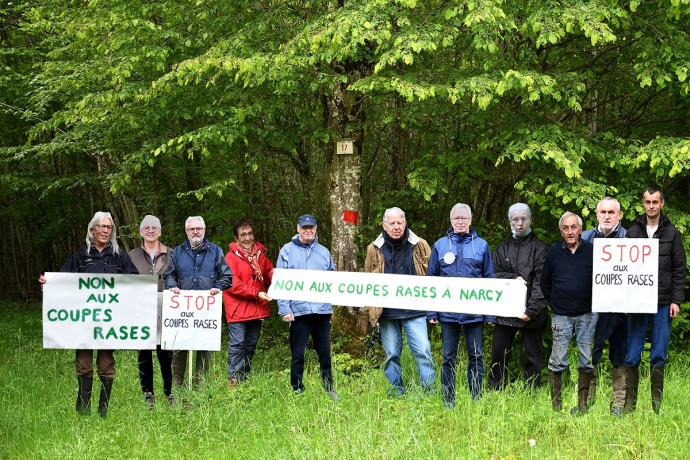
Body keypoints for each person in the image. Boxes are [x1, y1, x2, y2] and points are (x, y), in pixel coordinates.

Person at [39, 211, 138, 417]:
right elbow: (62, 280)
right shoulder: (80, 255)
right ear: (92, 229)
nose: (105, 230)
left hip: (109, 322)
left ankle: (103, 411)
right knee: (83, 364)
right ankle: (83, 410)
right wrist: (48, 284)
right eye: (101, 226)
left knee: (106, 364)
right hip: (83, 323)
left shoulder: (119, 256)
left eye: (109, 227)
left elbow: (134, 282)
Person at [625, 186, 686, 414]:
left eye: (655, 202)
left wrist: (676, 301)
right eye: (647, 202)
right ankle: (630, 406)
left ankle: (656, 408)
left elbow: (680, 269)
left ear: (662, 204)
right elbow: (623, 271)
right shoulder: (632, 232)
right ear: (643, 203)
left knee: (658, 352)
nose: (651, 206)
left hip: (662, 303)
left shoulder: (672, 233)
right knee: (632, 353)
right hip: (637, 303)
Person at [427, 203, 495, 407]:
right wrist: (432, 311)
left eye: (464, 218)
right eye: (456, 218)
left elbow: (489, 279)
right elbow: (432, 279)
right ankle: (448, 401)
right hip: (448, 315)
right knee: (448, 358)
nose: (460, 222)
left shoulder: (482, 245)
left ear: (471, 220)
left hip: (474, 314)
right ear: (450, 221)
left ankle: (476, 398)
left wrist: (490, 314)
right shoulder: (440, 245)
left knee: (476, 356)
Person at [364, 207, 435, 396]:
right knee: (392, 354)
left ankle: (429, 391)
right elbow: (369, 283)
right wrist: (372, 314)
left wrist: (433, 309)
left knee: (423, 351)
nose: (396, 227)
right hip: (387, 312)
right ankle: (396, 390)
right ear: (384, 226)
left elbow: (433, 276)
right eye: (392, 223)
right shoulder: (374, 249)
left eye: (399, 223)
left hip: (415, 310)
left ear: (405, 224)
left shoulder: (420, 244)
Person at [163, 216, 232, 389]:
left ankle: (200, 390)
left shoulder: (216, 251)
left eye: (199, 229)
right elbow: (169, 275)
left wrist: (218, 287)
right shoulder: (177, 252)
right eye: (192, 229)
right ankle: (177, 389)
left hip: (205, 312)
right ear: (186, 232)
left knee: (204, 349)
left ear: (204, 230)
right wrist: (172, 286)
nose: (196, 232)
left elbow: (227, 276)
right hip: (183, 311)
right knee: (179, 348)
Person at [488, 203, 548, 392]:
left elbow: (542, 283)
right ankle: (495, 388)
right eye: (515, 219)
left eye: (524, 218)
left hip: (531, 313)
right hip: (505, 311)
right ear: (509, 221)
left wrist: (531, 310)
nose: (520, 223)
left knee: (532, 355)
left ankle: (531, 391)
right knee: (499, 352)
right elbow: (493, 275)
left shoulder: (541, 249)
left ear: (531, 219)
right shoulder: (501, 248)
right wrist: (513, 278)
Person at [277, 214, 337, 399]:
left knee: (325, 353)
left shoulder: (324, 252)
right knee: (297, 353)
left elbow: (333, 280)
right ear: (298, 229)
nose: (308, 230)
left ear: (316, 229)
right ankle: (297, 389)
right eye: (305, 227)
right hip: (298, 312)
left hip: (321, 312)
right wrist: (284, 309)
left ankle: (329, 388)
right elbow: (280, 281)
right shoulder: (287, 251)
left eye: (311, 227)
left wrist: (332, 303)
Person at [541, 212, 596, 415]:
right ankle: (556, 407)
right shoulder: (554, 251)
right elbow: (545, 283)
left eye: (574, 227)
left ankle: (582, 406)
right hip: (561, 315)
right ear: (561, 231)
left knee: (586, 358)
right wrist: (556, 301)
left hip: (587, 314)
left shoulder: (592, 250)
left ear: (581, 230)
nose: (570, 231)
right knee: (558, 359)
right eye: (566, 228)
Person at [581, 197, 627, 417]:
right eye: (603, 212)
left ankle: (618, 404)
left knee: (619, 355)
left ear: (619, 215)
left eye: (611, 212)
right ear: (597, 215)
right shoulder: (585, 238)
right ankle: (586, 402)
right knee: (589, 355)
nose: (607, 216)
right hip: (592, 308)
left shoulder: (630, 238)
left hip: (621, 309)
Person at [128, 215, 174, 409]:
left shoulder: (172, 253)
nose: (150, 230)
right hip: (142, 313)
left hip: (166, 313)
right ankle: (148, 393)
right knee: (144, 354)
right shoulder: (132, 255)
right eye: (146, 227)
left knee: (167, 354)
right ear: (140, 231)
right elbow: (124, 282)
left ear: (160, 231)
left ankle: (170, 391)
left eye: (154, 227)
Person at [223, 218, 274, 388]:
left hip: (257, 308)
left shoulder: (260, 256)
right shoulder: (230, 258)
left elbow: (269, 275)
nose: (247, 238)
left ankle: (244, 376)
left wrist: (281, 279)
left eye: (250, 233)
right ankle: (234, 379)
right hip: (238, 309)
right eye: (243, 234)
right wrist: (256, 293)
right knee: (238, 343)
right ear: (236, 238)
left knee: (251, 344)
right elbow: (231, 283)